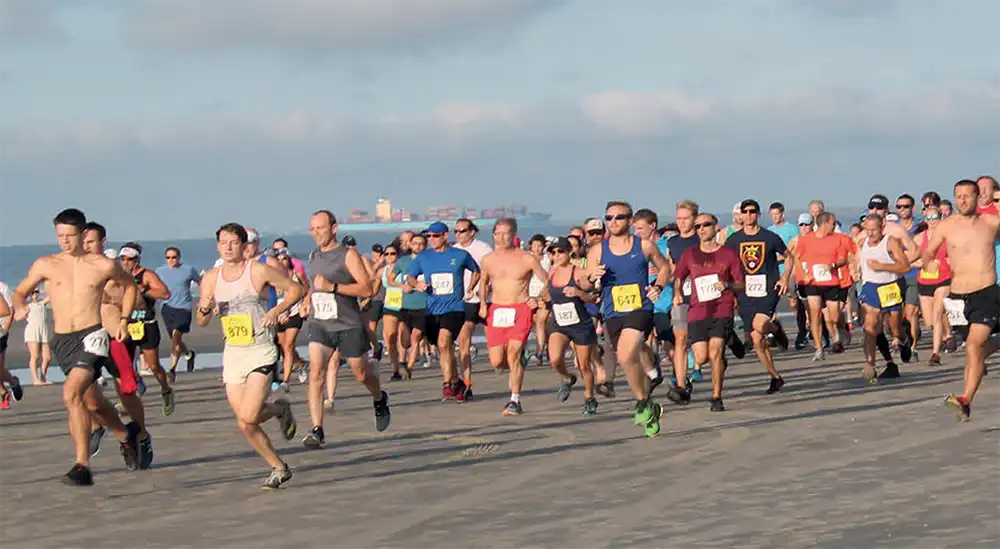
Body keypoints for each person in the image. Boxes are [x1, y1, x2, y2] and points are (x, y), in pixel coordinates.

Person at [11, 208, 142, 485]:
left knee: (71, 394)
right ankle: (125, 434)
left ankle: (82, 466)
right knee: (91, 401)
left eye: (70, 235)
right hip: (62, 340)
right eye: (60, 236)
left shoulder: (101, 265)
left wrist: (123, 319)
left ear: (83, 235)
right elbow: (20, 291)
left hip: (92, 335)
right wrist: (20, 305)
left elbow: (130, 287)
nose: (65, 241)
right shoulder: (45, 264)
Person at [194, 222, 301, 488]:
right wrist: (205, 309)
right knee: (245, 422)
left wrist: (278, 310)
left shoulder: (258, 270)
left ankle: (277, 411)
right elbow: (202, 321)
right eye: (223, 242)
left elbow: (296, 290)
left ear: (244, 245)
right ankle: (279, 465)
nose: (228, 247)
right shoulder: (211, 278)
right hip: (233, 353)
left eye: (233, 242)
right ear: (218, 246)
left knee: (249, 416)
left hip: (260, 350)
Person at [300, 211, 391, 449]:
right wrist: (308, 299)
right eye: (312, 229)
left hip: (348, 324)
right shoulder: (313, 256)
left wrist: (333, 286)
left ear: (334, 228)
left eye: (320, 228)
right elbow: (314, 286)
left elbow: (366, 289)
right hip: (320, 323)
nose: (316, 233)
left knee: (360, 373)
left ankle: (379, 398)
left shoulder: (348, 255)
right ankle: (317, 429)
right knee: (315, 373)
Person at [921, 180, 1000, 421]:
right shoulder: (946, 226)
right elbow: (929, 251)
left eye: (967, 196)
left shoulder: (991, 222)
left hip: (986, 291)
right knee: (973, 352)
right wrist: (928, 261)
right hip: (957, 297)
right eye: (958, 196)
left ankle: (965, 399)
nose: (962, 200)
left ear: (977, 198)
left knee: (975, 346)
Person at [477, 218, 549, 416]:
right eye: (498, 233)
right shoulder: (488, 259)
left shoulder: (526, 258)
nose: (502, 237)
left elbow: (547, 280)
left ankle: (514, 400)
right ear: (493, 235)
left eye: (507, 233)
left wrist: (539, 298)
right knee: (497, 361)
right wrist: (483, 304)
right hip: (497, 310)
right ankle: (519, 362)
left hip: (520, 308)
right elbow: (483, 282)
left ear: (514, 234)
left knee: (513, 354)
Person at [543, 237, 600, 415]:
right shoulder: (552, 272)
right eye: (553, 252)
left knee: (584, 365)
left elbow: (593, 298)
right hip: (560, 324)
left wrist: (579, 293)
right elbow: (546, 293)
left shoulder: (578, 272)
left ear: (569, 252)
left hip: (580, 325)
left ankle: (590, 398)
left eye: (560, 251)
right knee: (554, 359)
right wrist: (538, 300)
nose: (556, 255)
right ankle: (567, 378)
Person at [155, 246, 201, 376]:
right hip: (167, 308)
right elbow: (153, 287)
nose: (171, 260)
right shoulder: (159, 271)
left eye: (174, 257)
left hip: (184, 308)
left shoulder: (188, 270)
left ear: (179, 258)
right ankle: (188, 354)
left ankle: (172, 369)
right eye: (168, 258)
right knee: (176, 340)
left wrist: (203, 299)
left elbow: (202, 282)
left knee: (176, 336)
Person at [23, 288, 52, 385]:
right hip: (32, 332)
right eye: (33, 292)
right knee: (35, 356)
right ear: (30, 295)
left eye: (37, 292)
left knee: (47, 357)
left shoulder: (42, 304)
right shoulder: (27, 306)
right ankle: (35, 379)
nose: (35, 294)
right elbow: (18, 314)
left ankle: (43, 377)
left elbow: (52, 296)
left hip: (43, 332)